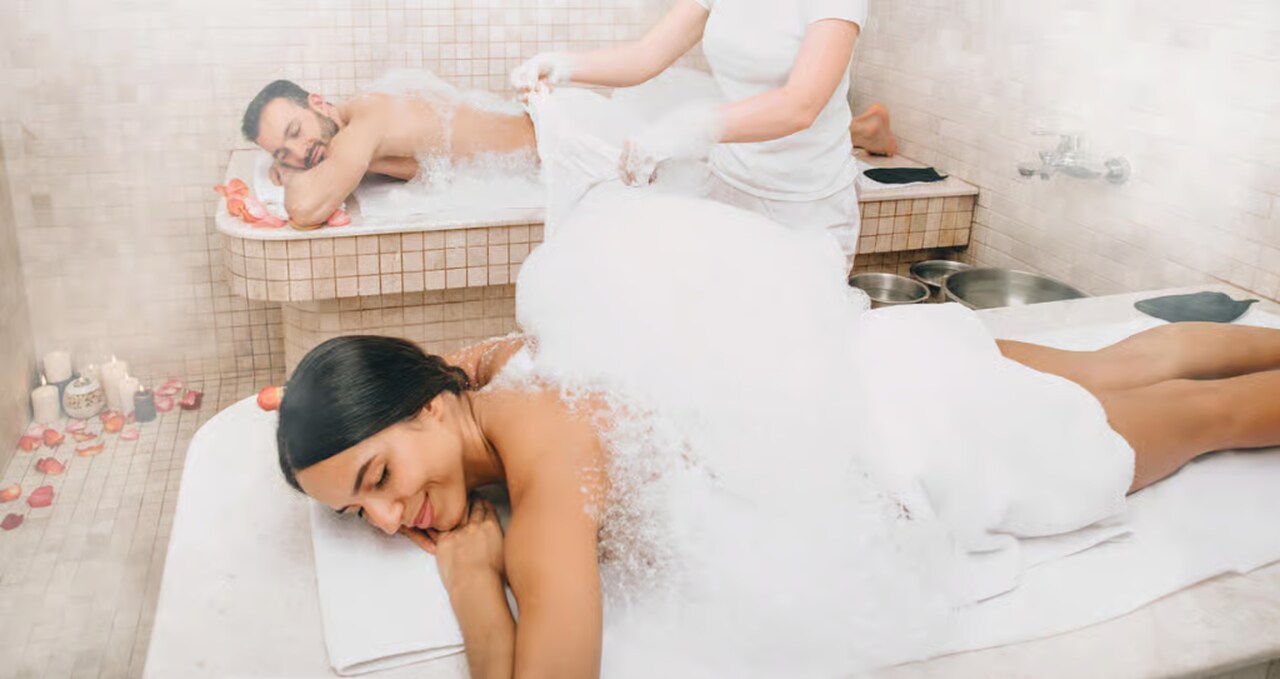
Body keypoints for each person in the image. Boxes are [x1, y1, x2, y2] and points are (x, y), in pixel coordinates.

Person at [274, 187, 1280, 678]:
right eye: (356, 508)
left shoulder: (544, 464)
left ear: (427, 405)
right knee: (1120, 363)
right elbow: (453, 361)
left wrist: (470, 585)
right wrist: (316, 410)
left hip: (932, 438)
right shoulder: (497, 367)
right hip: (880, 356)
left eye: (378, 474)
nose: (387, 515)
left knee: (1207, 421)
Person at [511, 0, 896, 257]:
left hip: (805, 205)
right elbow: (646, 55)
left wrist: (695, 126)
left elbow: (801, 105)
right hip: (728, 190)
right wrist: (562, 66)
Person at [240, 79, 537, 227]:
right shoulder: (357, 139)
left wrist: (288, 171)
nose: (298, 152)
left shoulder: (368, 119)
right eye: (283, 154)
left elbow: (304, 210)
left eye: (295, 131)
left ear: (317, 103)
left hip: (551, 144)